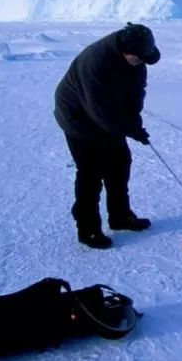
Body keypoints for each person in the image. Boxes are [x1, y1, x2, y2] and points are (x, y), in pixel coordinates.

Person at [54, 23, 161, 249]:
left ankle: (120, 217)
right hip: (77, 116)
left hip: (104, 113)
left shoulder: (137, 57)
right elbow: (99, 110)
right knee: (91, 171)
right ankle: (88, 229)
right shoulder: (97, 62)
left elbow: (135, 94)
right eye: (137, 59)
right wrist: (129, 129)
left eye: (143, 59)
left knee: (120, 162)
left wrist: (135, 123)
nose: (140, 63)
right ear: (124, 50)